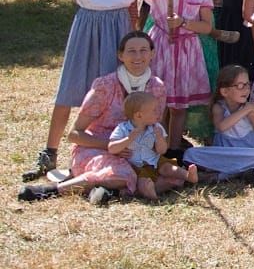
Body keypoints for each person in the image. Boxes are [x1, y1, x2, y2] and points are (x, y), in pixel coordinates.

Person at [26, 0, 136, 182]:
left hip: (118, 25)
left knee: (116, 91)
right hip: (87, 24)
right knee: (70, 87)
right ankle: (49, 151)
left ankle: (115, 150)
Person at [21, 30, 165, 204]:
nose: (138, 56)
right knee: (123, 172)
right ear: (120, 55)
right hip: (96, 148)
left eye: (143, 50)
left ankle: (106, 190)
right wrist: (113, 146)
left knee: (170, 175)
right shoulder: (104, 85)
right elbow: (74, 134)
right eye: (131, 51)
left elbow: (154, 127)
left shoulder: (157, 87)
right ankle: (53, 190)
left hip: (137, 151)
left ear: (152, 54)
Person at [133, 0, 214, 151]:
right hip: (161, 47)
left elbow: (206, 26)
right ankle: (152, 146)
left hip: (187, 50)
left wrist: (184, 23)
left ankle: (174, 149)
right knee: (156, 102)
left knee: (179, 107)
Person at [183, 64, 254, 179]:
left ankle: (220, 175)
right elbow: (222, 127)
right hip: (225, 154)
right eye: (240, 85)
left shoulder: (252, 111)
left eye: (247, 84)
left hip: (247, 153)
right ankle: (239, 171)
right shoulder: (219, 107)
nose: (246, 89)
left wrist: (248, 109)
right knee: (190, 154)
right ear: (225, 92)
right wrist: (246, 109)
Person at [108, 91, 196, 199]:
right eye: (154, 110)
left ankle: (188, 176)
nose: (158, 113)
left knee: (168, 168)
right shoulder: (123, 128)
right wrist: (128, 139)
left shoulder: (156, 128)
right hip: (137, 165)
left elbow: (162, 151)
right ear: (139, 115)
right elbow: (111, 148)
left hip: (156, 160)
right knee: (143, 180)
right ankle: (151, 194)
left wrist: (159, 138)